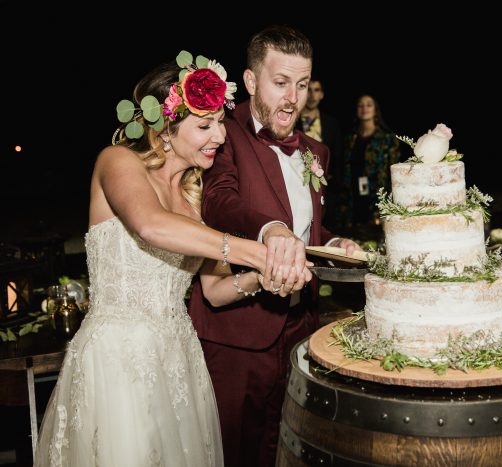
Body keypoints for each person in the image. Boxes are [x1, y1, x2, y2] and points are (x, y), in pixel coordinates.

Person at [34, 51, 309, 467]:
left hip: (180, 363)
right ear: (165, 129)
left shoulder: (192, 205)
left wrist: (266, 275)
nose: (219, 135)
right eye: (204, 125)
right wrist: (256, 250)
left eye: (220, 121)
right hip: (117, 360)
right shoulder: (117, 162)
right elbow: (148, 224)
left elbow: (216, 292)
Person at [187, 26, 360, 466]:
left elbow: (309, 235)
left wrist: (335, 243)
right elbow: (218, 198)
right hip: (238, 335)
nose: (292, 98)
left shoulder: (317, 152)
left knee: (293, 449)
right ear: (249, 81)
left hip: (302, 328)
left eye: (301, 85)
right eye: (280, 83)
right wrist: (271, 230)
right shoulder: (218, 134)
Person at [337, 94, 402, 234]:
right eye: (361, 105)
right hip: (353, 197)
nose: (364, 108)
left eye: (369, 104)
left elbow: (395, 173)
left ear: (375, 110)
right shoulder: (350, 138)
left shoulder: (387, 138)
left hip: (377, 198)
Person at [296, 79, 343, 229]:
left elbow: (338, 156)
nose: (312, 95)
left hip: (326, 190)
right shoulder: (291, 120)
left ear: (322, 95)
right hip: (298, 186)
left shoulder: (331, 123)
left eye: (316, 90)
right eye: (308, 90)